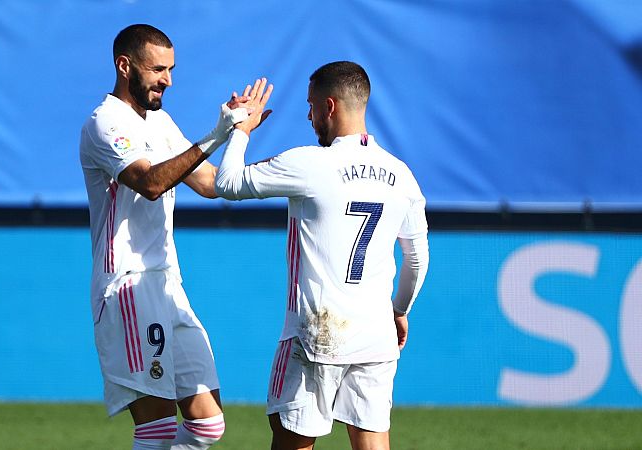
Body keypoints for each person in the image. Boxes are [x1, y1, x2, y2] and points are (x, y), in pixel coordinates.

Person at [214, 62, 430, 450]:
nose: (308, 115)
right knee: (373, 441)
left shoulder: (310, 162)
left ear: (330, 106)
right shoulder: (402, 175)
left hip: (315, 333)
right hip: (375, 334)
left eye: (312, 105)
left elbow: (227, 183)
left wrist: (241, 132)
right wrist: (399, 310)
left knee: (293, 442)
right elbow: (417, 260)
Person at [79, 24, 257, 450]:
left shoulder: (159, 121)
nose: (168, 80)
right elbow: (151, 182)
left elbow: (211, 182)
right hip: (129, 287)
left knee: (206, 426)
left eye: (171, 69)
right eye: (158, 69)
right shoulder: (105, 123)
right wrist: (216, 133)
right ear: (125, 66)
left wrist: (241, 138)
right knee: (156, 430)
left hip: (168, 284)